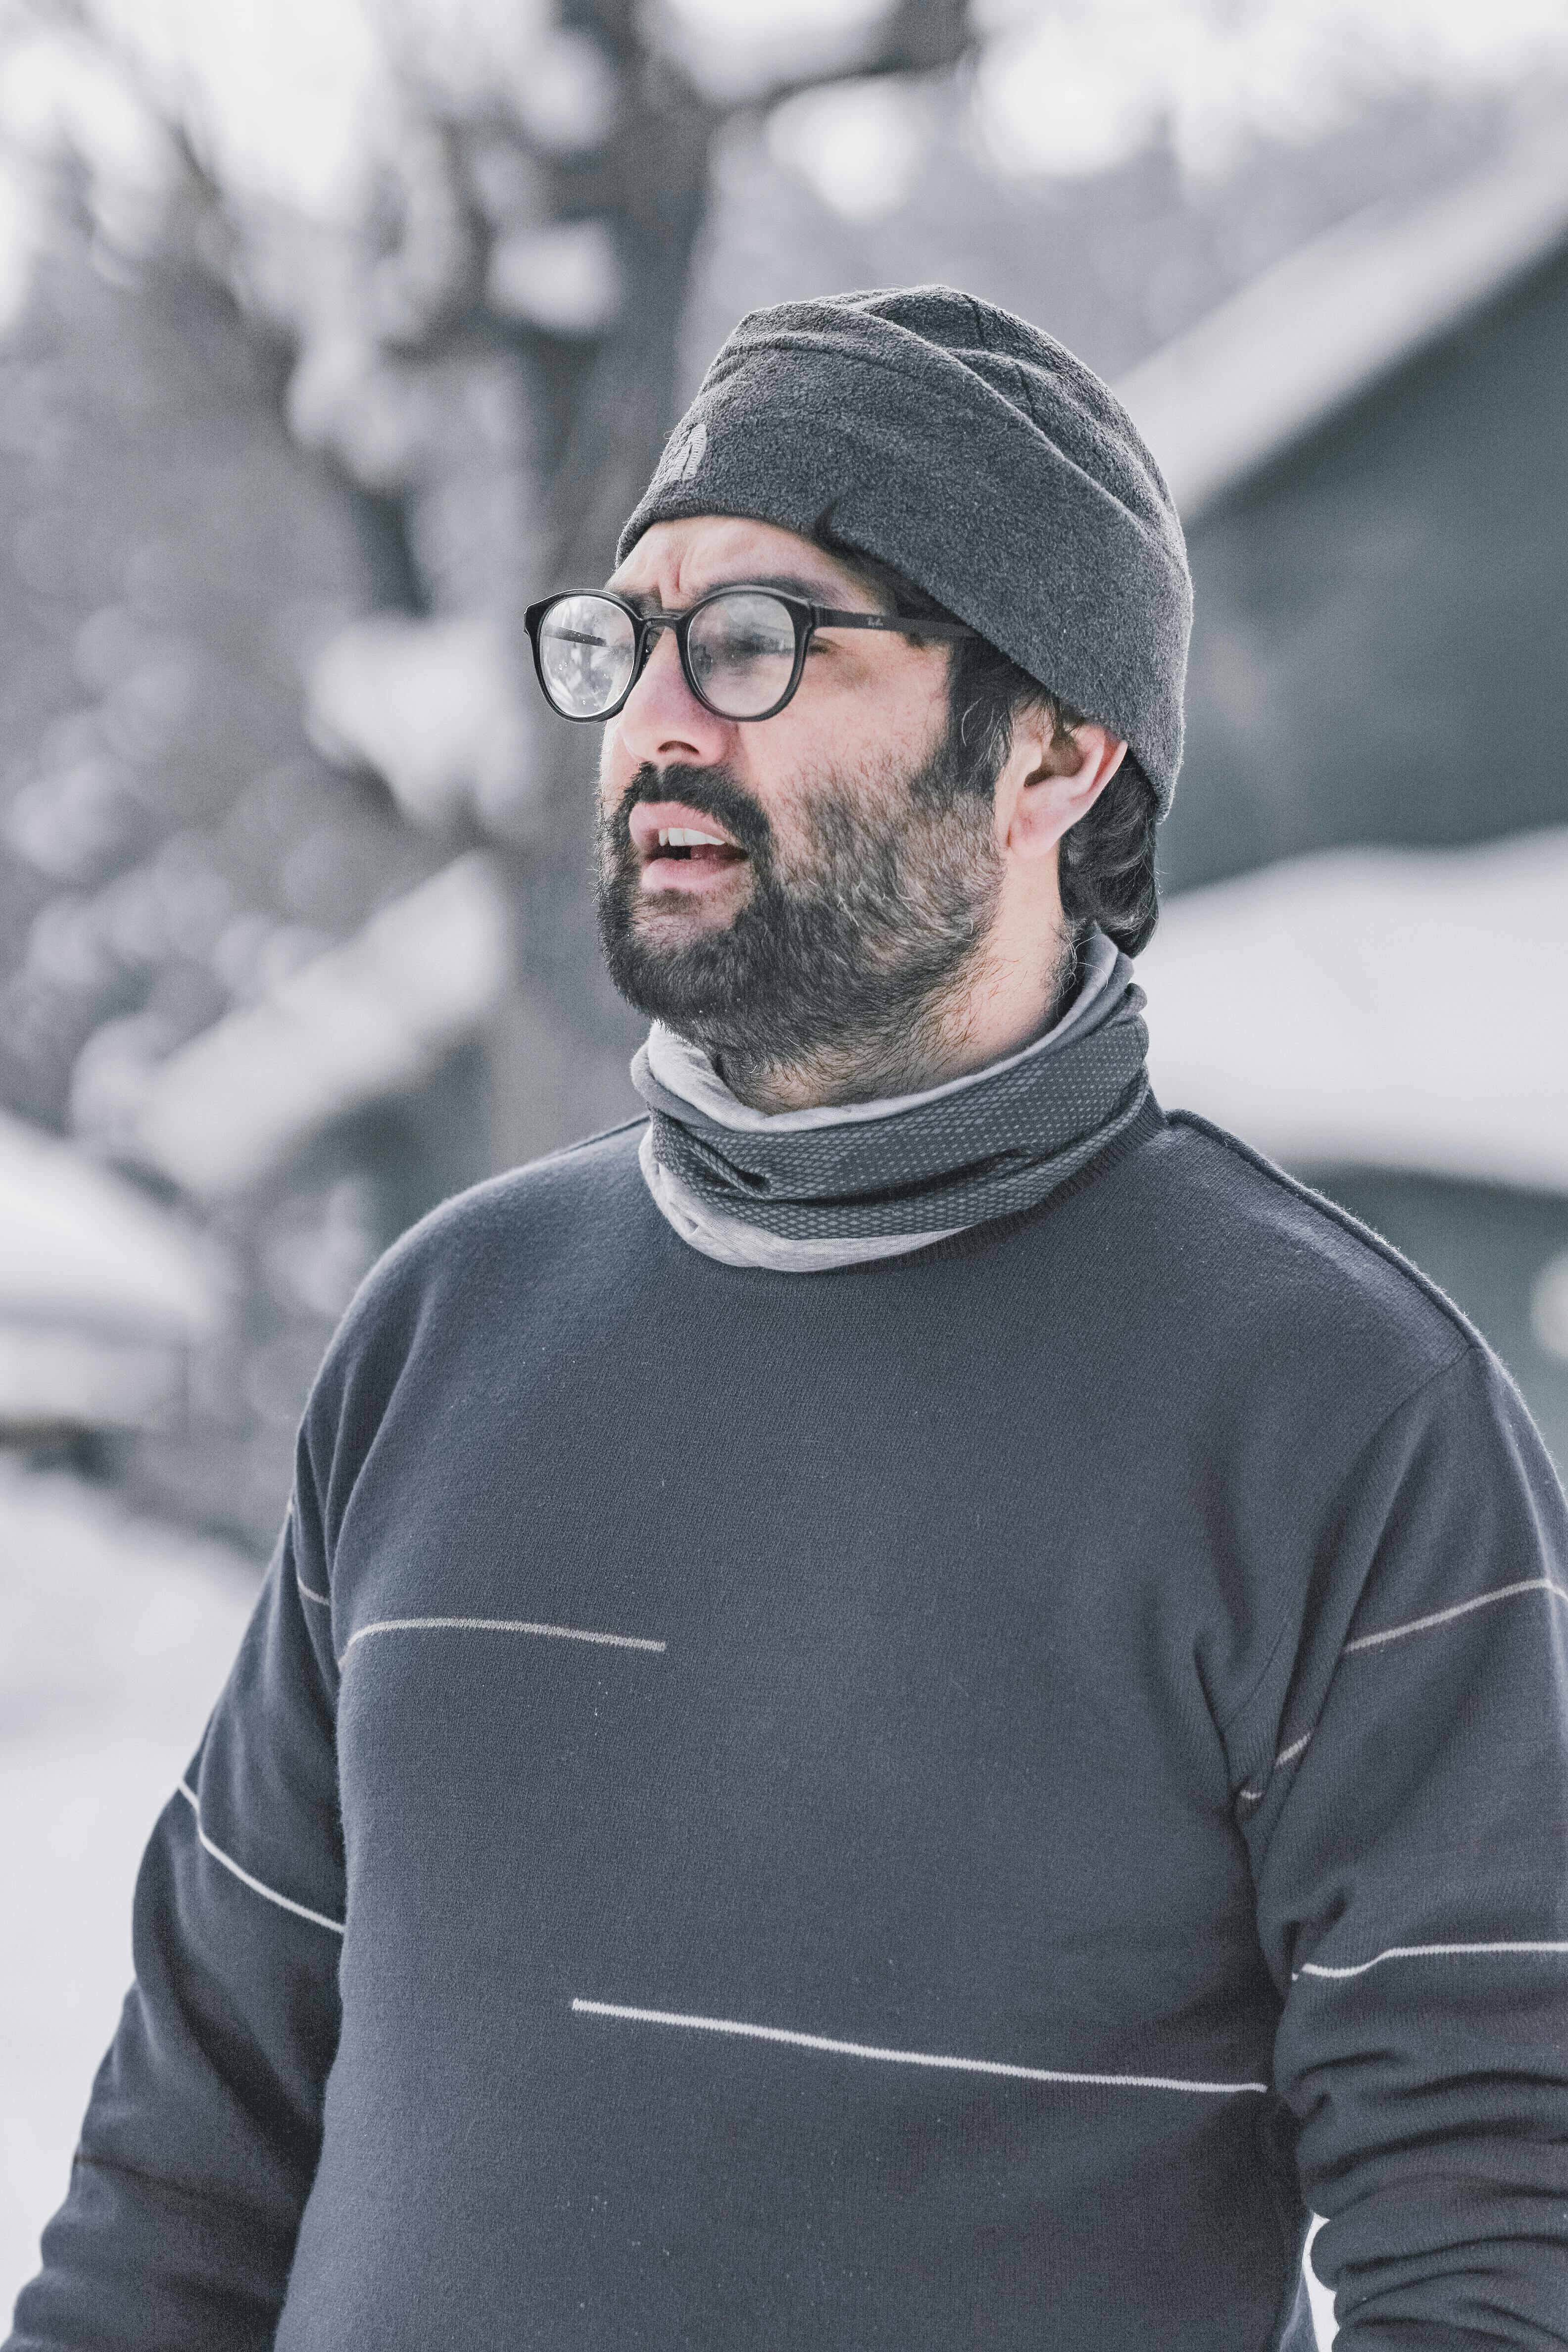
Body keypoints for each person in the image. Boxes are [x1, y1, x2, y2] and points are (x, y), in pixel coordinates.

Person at [10, 287, 1568, 2352]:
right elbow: (180, 2182)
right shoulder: (448, 1332)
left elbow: (1500, 2239)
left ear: (1051, 746)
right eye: (628, 640)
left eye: (759, 638)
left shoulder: (1340, 1418)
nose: (661, 715)